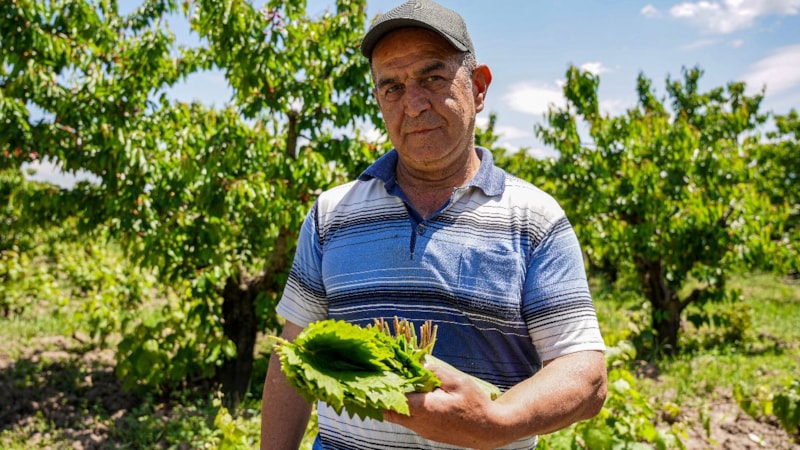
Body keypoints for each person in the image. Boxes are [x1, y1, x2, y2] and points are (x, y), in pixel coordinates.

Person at [261, 0, 607, 448]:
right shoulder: (332, 214)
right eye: (392, 87)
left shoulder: (534, 219)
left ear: (478, 87)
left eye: (432, 78)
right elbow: (292, 354)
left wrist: (495, 422)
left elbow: (585, 374)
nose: (414, 104)